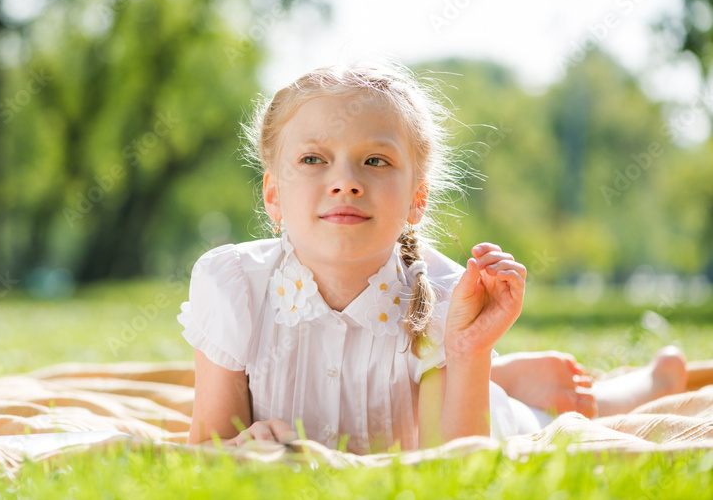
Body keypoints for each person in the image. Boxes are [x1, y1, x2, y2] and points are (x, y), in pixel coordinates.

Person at [177, 62, 691, 455]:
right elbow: (209, 448)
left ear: (417, 199)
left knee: (553, 418)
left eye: (375, 161)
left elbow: (453, 463)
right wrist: (246, 452)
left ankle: (643, 383)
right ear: (272, 195)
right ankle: (506, 373)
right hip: (430, 384)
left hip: (463, 403)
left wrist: (470, 352)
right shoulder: (233, 285)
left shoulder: (440, 296)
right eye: (313, 159)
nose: (346, 181)